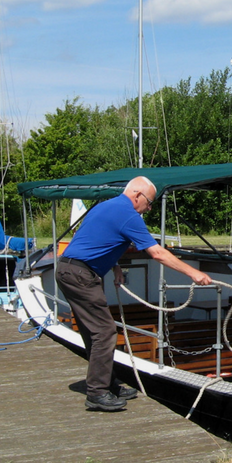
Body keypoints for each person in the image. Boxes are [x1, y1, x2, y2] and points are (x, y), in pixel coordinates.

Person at [56, 176, 212, 412]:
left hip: (70, 270)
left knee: (94, 330)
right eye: (149, 203)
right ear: (137, 196)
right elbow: (157, 253)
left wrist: (114, 265)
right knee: (104, 331)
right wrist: (193, 273)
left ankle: (107, 384)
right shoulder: (129, 214)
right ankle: (98, 392)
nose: (148, 209)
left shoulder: (106, 206)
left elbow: (96, 240)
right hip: (80, 275)